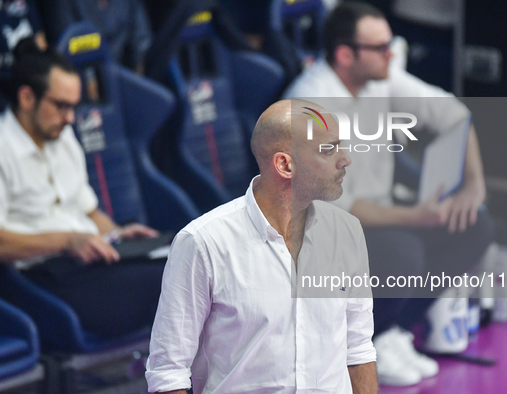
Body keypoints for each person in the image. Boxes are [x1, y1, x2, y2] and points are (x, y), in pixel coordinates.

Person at [283, 1, 494, 387]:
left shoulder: (381, 80)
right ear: (346, 55)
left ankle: (393, 329)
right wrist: (414, 217)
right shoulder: (312, 105)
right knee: (402, 251)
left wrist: (473, 186)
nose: (391, 54)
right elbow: (334, 204)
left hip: (377, 215)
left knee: (474, 226)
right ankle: (358, 348)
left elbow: (455, 114)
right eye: (380, 48)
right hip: (319, 230)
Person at [145, 99, 378, 394]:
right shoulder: (203, 242)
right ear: (285, 164)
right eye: (328, 150)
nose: (345, 159)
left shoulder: (346, 231)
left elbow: (357, 348)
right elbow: (168, 373)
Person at [0, 38, 164, 339]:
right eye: (61, 106)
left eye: (74, 107)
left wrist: (116, 234)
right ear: (26, 97)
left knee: (186, 259)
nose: (71, 118)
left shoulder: (62, 138)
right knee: (172, 283)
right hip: (40, 279)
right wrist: (66, 241)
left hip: (86, 266)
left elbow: (87, 210)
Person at [40, 0, 152, 74]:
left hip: (120, 76)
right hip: (79, 75)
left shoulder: (128, 3)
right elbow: (67, 45)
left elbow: (141, 44)